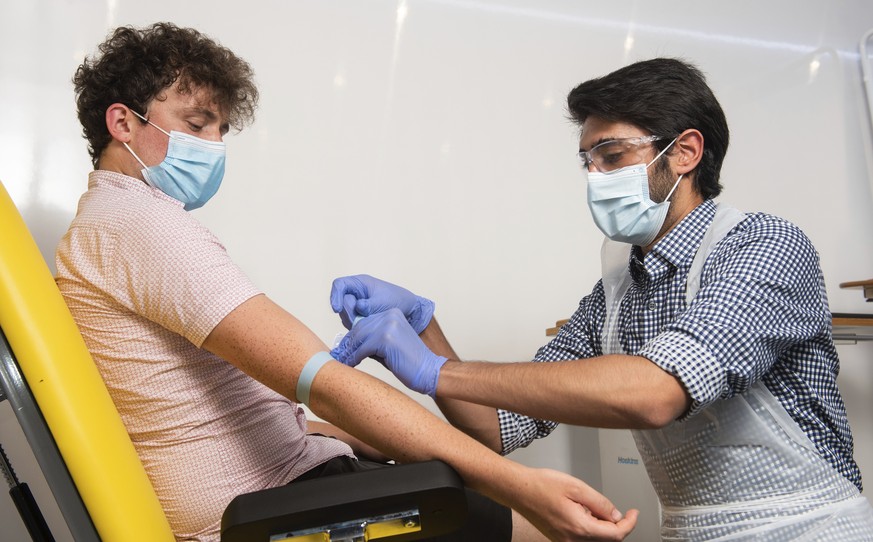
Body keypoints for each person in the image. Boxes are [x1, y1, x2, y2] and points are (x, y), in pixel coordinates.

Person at [55, 22, 638, 542]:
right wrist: (522, 486)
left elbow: (190, 400)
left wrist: (332, 432)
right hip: (268, 502)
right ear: (122, 122)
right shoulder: (141, 228)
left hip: (284, 475)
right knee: (543, 528)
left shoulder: (105, 228)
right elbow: (324, 381)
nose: (213, 147)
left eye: (221, 130)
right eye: (196, 125)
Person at [330, 58, 873, 540]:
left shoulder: (765, 247)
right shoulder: (616, 290)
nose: (594, 177)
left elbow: (656, 391)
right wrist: (425, 324)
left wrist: (435, 371)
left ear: (684, 152)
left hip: (808, 526)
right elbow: (498, 427)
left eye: (611, 156)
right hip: (688, 527)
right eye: (587, 161)